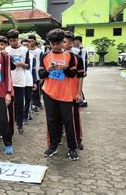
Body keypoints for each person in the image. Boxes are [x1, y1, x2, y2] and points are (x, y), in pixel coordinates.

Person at [39, 29, 79, 161]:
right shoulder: (45, 56)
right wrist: (48, 70)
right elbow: (40, 75)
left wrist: (64, 69)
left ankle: (72, 148)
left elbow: (73, 74)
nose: (55, 46)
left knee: (68, 122)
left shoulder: (70, 56)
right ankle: (53, 146)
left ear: (63, 42)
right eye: (52, 44)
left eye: (58, 44)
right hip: (49, 93)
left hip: (65, 95)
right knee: (52, 121)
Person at [6, 29, 30, 134]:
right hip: (9, 82)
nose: (12, 43)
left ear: (18, 39)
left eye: (14, 40)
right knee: (9, 104)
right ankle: (9, 124)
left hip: (20, 82)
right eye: (10, 41)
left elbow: (28, 65)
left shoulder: (24, 50)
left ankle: (19, 125)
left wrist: (21, 64)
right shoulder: (6, 51)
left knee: (20, 104)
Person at [65, 32, 86, 150]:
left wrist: (78, 93)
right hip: (60, 94)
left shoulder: (77, 59)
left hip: (73, 93)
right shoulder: (55, 57)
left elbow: (80, 77)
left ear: (71, 43)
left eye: (64, 42)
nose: (62, 45)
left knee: (75, 119)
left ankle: (78, 140)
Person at [29, 40, 43, 114]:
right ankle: (32, 105)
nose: (30, 43)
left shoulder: (39, 51)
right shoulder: (26, 52)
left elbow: (42, 62)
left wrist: (41, 76)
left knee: (37, 91)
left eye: (31, 41)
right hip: (27, 76)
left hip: (37, 74)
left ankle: (38, 104)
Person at [73, 36, 88, 107]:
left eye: (74, 41)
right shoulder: (81, 49)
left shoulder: (81, 50)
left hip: (80, 71)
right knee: (78, 85)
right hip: (80, 70)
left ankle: (83, 100)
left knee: (78, 85)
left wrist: (84, 71)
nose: (74, 43)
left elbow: (83, 61)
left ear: (78, 41)